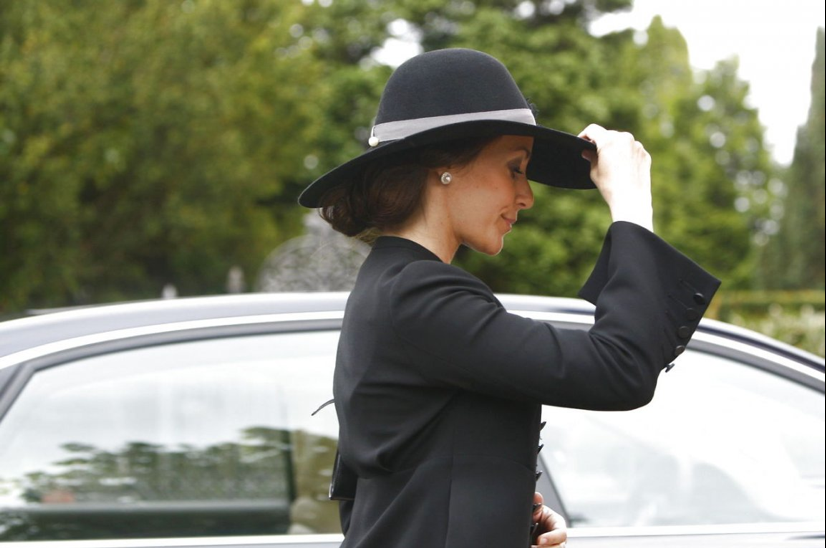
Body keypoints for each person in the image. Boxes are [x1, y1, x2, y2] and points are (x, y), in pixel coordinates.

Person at [299, 48, 720, 548]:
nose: (527, 195)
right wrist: (631, 206)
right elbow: (619, 369)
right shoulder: (418, 294)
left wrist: (499, 510)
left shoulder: (390, 286)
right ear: (444, 165)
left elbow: (375, 489)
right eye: (515, 168)